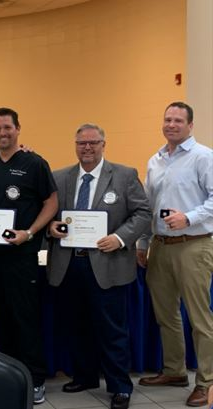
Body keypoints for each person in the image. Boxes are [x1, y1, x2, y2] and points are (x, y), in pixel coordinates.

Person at [47, 123, 152, 409]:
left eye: (93, 142)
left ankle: (120, 387)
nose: (87, 148)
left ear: (104, 144)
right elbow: (49, 216)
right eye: (82, 143)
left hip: (108, 264)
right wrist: (51, 228)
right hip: (69, 265)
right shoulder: (60, 177)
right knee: (76, 325)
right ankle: (85, 376)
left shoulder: (124, 175)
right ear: (75, 145)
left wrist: (120, 238)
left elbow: (143, 213)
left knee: (112, 330)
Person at [0, 107, 58, 405]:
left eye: (7, 128)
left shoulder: (34, 163)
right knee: (0, 318)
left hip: (23, 253)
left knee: (25, 317)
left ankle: (35, 379)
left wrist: (31, 231)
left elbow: (51, 202)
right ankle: (5, 376)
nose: (2, 133)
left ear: (18, 129)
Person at [137, 102, 213, 407]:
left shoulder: (203, 157)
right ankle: (174, 371)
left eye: (178, 120)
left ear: (190, 125)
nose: (171, 124)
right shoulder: (155, 160)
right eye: (167, 119)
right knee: (166, 315)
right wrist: (143, 243)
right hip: (161, 246)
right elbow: (148, 207)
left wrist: (189, 217)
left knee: (199, 319)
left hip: (194, 244)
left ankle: (206, 382)